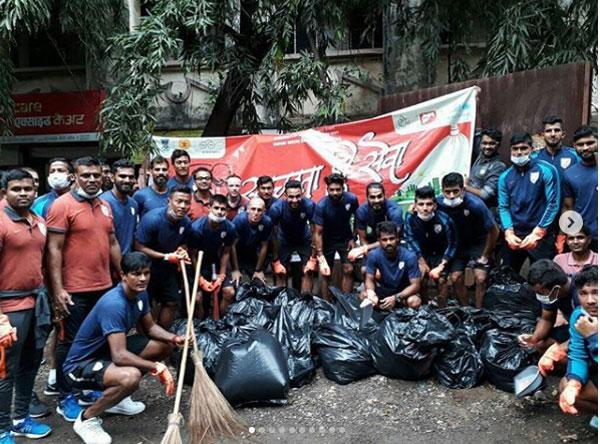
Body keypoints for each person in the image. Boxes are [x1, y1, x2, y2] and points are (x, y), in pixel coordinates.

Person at [63, 252, 183, 444]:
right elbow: (119, 356)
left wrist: (175, 338)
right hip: (79, 366)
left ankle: (116, 399)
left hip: (105, 354)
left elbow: (151, 328)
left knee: (163, 347)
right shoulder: (114, 304)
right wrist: (156, 367)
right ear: (123, 275)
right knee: (130, 377)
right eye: (136, 274)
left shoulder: (141, 293)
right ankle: (86, 419)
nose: (142, 278)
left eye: (146, 273)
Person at [46, 156, 125, 422]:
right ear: (74, 178)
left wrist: (121, 274)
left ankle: (85, 390)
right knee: (69, 344)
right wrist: (57, 289)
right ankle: (65, 396)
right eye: (86, 175)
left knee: (98, 341)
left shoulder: (104, 205)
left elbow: (112, 241)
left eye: (96, 175)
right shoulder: (62, 205)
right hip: (74, 290)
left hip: (103, 287)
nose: (92, 180)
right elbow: (53, 249)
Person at [0, 169, 52, 442]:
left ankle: (21, 419)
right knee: (5, 369)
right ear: (4, 192)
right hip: (8, 306)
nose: (23, 193)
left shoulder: (38, 220)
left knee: (31, 363)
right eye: (16, 189)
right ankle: (1, 428)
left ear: (35, 191)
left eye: (28, 189)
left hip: (36, 302)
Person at [498, 132, 560, 272]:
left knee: (544, 280)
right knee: (505, 279)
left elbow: (553, 204)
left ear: (531, 149)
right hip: (515, 235)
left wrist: (538, 233)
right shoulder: (505, 177)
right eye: (515, 149)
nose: (519, 152)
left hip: (540, 235)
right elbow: (503, 207)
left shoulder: (547, 170)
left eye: (523, 148)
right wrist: (508, 232)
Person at [134, 185, 192, 329]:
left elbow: (183, 243)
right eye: (179, 201)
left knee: (172, 302)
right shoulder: (152, 219)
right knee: (145, 306)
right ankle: (144, 340)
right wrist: (166, 256)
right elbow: (138, 247)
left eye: (187, 202)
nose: (183, 206)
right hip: (147, 269)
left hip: (168, 269)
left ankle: (164, 338)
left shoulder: (185, 222)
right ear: (169, 201)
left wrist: (182, 251)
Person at [437, 173, 499, 308]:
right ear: (442, 191)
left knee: (481, 278)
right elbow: (424, 206)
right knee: (455, 278)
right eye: (447, 192)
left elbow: (494, 230)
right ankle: (465, 310)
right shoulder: (439, 203)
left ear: (463, 190)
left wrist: (485, 255)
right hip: (458, 244)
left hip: (479, 242)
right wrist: (414, 208)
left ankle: (479, 312)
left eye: (455, 191)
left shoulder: (475, 204)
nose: (452, 196)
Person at [404, 186, 458, 307]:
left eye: (428, 204)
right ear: (415, 205)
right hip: (421, 255)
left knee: (441, 280)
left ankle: (442, 310)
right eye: (421, 204)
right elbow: (410, 239)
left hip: (441, 254)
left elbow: (452, 243)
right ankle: (423, 308)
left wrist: (442, 265)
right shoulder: (410, 218)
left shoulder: (445, 220)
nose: (425, 208)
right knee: (420, 278)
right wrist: (421, 261)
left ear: (435, 205)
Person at [558, 265, 597, 416]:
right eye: (583, 293)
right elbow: (578, 354)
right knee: (566, 386)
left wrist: (594, 337)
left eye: (596, 292)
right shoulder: (579, 316)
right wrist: (575, 382)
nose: (590, 301)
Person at [313, 173, 359, 300]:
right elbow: (318, 233)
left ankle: (345, 302)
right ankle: (325, 303)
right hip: (327, 241)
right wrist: (320, 255)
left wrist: (353, 238)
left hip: (345, 239)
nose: (335, 193)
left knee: (349, 269)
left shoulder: (352, 199)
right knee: (326, 273)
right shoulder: (321, 206)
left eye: (338, 189)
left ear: (343, 188)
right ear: (327, 190)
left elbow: (358, 219)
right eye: (331, 190)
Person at [189, 195, 236, 318]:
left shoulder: (230, 228)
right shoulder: (196, 228)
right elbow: (192, 255)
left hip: (217, 260)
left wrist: (222, 275)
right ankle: (201, 326)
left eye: (223, 209)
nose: (219, 212)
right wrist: (200, 278)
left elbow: (226, 252)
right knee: (198, 298)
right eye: (216, 208)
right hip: (199, 262)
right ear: (209, 207)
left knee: (229, 292)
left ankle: (221, 324)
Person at [519, 259, 579, 354]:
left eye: (540, 293)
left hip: (592, 330)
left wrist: (562, 348)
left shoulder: (582, 292)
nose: (539, 296)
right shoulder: (552, 295)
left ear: (556, 289)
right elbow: (547, 319)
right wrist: (534, 339)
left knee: (558, 355)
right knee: (541, 345)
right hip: (574, 328)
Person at [360, 221, 421, 310]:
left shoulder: (409, 256)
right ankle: (382, 310)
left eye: (391, 239)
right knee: (364, 296)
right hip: (384, 290)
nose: (388, 242)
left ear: (397, 239)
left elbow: (415, 285)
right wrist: (371, 293)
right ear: (379, 241)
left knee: (414, 301)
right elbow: (369, 279)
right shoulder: (373, 255)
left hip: (402, 292)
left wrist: (396, 298)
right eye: (384, 240)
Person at [268, 180, 316, 293]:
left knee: (308, 271)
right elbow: (273, 235)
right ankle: (282, 303)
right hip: (284, 239)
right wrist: (276, 260)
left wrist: (313, 258)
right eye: (291, 197)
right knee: (280, 272)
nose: (294, 200)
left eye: (297, 196)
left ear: (302, 194)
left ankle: (306, 303)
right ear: (285, 195)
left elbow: (316, 232)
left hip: (304, 238)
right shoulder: (276, 208)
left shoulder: (309, 205)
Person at [349, 182, 404, 266]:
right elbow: (363, 239)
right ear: (367, 197)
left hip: (394, 244)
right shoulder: (361, 212)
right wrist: (371, 258)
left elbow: (393, 237)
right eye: (372, 197)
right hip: (373, 244)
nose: (376, 200)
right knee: (365, 270)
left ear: (384, 195)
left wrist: (365, 248)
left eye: (379, 196)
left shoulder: (394, 210)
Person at [562, 126, 598, 249]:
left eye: (590, 143)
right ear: (574, 146)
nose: (585, 148)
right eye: (580, 144)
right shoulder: (569, 174)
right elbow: (568, 207)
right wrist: (566, 234)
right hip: (584, 237)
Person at [100, 159, 139, 256]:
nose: (127, 180)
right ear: (113, 178)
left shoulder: (133, 203)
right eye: (122, 176)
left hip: (127, 263)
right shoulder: (103, 202)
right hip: (107, 264)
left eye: (131, 177)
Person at [230, 198, 272, 284]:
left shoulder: (267, 222)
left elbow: (264, 246)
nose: (256, 213)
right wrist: (235, 269)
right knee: (236, 283)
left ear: (264, 211)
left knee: (259, 283)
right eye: (253, 209)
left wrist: (258, 270)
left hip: (252, 255)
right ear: (248, 209)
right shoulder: (239, 220)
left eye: (259, 210)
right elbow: (232, 245)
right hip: (236, 255)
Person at [464, 128, 507, 209]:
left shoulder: (498, 166)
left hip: (483, 210)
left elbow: (485, 195)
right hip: (469, 206)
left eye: (492, 144)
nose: (487, 147)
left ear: (498, 145)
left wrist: (465, 187)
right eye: (484, 143)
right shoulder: (480, 156)